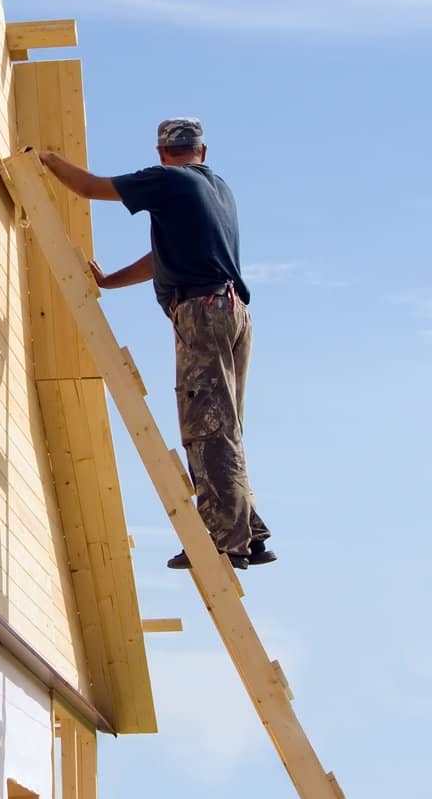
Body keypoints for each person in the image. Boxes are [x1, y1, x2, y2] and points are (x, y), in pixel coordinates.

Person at [38, 118, 274, 571]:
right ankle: (248, 530)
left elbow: (88, 188)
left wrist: (45, 158)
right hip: (231, 310)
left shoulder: (167, 180)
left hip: (202, 312)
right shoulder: (216, 188)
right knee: (224, 424)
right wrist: (110, 282)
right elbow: (160, 258)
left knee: (206, 425)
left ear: (162, 153)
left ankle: (227, 539)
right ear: (202, 151)